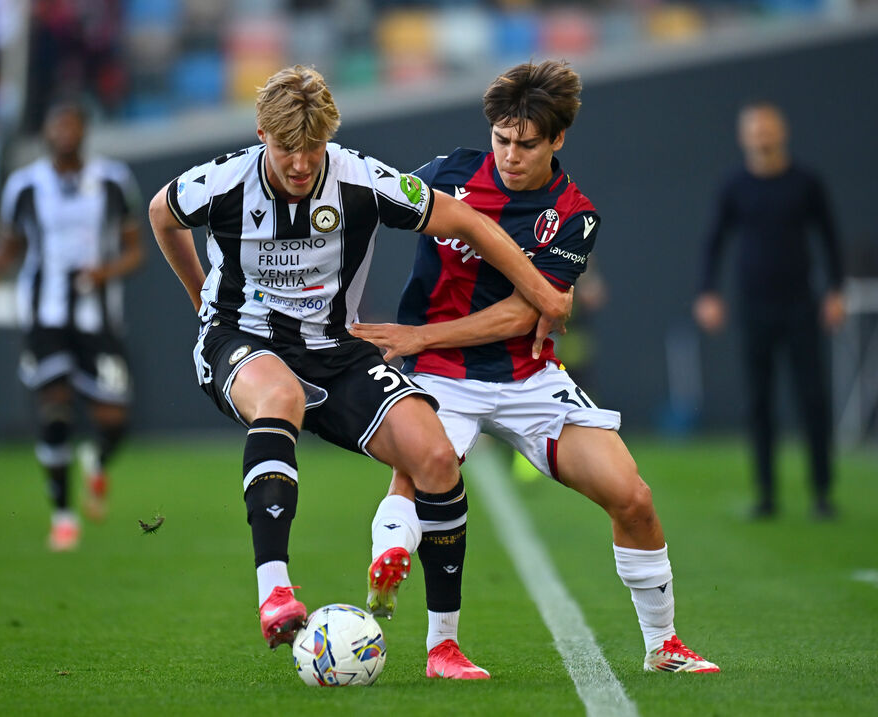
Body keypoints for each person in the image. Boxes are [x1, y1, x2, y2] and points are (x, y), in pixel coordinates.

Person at [146, 65, 571, 650]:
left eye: (314, 147)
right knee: (281, 396)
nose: (301, 163)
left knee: (436, 456)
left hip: (335, 348)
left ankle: (443, 646)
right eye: (286, 148)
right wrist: (201, 299)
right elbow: (161, 213)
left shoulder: (362, 179)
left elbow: (466, 221)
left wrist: (544, 292)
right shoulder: (223, 181)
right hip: (240, 337)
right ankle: (275, 591)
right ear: (262, 135)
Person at [351, 60, 720, 678]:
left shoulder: (574, 214)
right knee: (419, 475)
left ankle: (663, 646)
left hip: (529, 378)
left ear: (558, 139)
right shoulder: (447, 175)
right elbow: (363, 211)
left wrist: (419, 333)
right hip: (440, 375)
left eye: (526, 144)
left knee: (632, 497)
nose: (510, 155)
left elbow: (524, 315)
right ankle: (425, 620)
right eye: (501, 139)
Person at [0, 101, 144, 550]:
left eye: (72, 124)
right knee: (54, 411)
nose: (64, 132)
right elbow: (10, 244)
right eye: (57, 124)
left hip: (99, 318)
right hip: (44, 316)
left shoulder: (114, 180)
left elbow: (135, 250)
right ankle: (64, 516)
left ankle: (96, 459)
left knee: (114, 420)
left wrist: (104, 273)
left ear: (85, 130)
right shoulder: (23, 185)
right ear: (46, 132)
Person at [693, 102, 844, 520]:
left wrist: (836, 290)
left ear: (782, 132)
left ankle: (822, 493)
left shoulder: (806, 183)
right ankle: (766, 495)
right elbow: (713, 240)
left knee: (812, 398)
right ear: (744, 137)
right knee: (759, 401)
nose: (761, 136)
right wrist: (707, 292)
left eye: (767, 129)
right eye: (754, 130)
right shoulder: (734, 186)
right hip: (754, 307)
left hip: (801, 306)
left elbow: (829, 236)